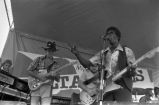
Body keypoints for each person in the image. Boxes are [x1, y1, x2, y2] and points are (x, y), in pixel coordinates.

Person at [71, 26, 137, 102]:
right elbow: (88, 65)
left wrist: (132, 69)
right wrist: (77, 54)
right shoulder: (103, 53)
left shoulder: (127, 51)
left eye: (111, 33)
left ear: (117, 36)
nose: (108, 35)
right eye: (107, 33)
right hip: (106, 88)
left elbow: (133, 72)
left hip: (122, 87)